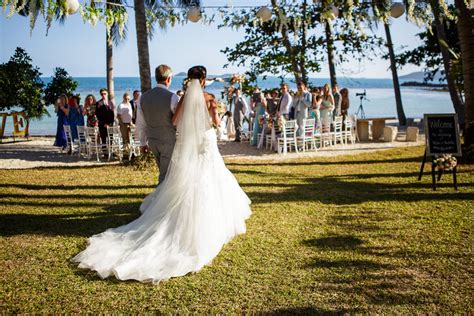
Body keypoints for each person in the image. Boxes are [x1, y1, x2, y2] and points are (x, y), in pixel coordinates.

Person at [72, 65, 251, 283]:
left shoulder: (182, 97)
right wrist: (214, 117)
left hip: (183, 142)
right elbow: (214, 121)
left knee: (185, 178)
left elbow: (175, 122)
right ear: (204, 79)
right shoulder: (210, 98)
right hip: (205, 141)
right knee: (210, 177)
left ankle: (170, 209)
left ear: (188, 79)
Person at [135, 64, 180, 184]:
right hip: (168, 141)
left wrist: (142, 142)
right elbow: (178, 120)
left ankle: (164, 199)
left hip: (152, 141)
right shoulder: (173, 98)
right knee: (165, 176)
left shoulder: (143, 98)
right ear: (169, 79)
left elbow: (140, 123)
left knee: (164, 172)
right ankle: (160, 201)